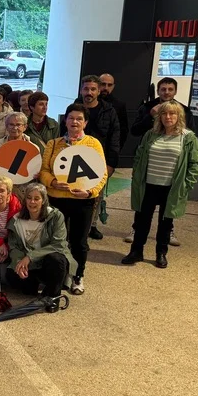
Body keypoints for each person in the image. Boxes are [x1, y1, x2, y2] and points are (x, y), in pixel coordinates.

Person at [122, 102, 198, 269]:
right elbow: (139, 154)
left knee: (166, 223)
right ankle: (136, 251)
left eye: (172, 114)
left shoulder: (188, 138)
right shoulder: (151, 134)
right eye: (164, 114)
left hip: (171, 187)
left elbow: (196, 163)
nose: (168, 117)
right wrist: (136, 173)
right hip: (148, 185)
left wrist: (186, 184)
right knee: (141, 220)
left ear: (179, 116)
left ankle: (161, 253)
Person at [40, 103, 107, 295]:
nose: (74, 122)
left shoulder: (93, 144)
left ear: (85, 123)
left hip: (82, 201)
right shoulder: (53, 144)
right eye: (71, 118)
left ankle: (78, 275)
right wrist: (53, 182)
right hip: (57, 199)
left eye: (79, 119)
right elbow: (44, 171)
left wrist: (90, 192)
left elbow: (101, 174)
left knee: (79, 242)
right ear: (65, 121)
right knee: (54, 239)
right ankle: (56, 275)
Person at [6, 183, 74, 312]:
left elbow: (58, 244)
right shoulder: (16, 220)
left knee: (57, 259)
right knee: (12, 277)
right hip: (30, 264)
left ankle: (53, 297)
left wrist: (30, 257)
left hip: (48, 260)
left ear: (43, 200)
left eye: (37, 198)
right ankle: (41, 285)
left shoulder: (55, 216)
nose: (32, 202)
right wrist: (19, 262)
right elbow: (13, 247)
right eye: (29, 198)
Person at [71, 75, 120, 240]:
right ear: (81, 90)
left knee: (95, 196)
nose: (89, 92)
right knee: (74, 194)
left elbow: (114, 139)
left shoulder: (109, 111)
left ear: (98, 91)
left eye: (93, 89)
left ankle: (91, 226)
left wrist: (111, 164)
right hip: (75, 159)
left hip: (99, 161)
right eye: (86, 89)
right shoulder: (74, 109)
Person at [131, 76, 196, 137]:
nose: (166, 92)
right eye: (163, 89)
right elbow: (135, 132)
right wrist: (150, 116)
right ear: (158, 92)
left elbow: (191, 134)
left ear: (175, 92)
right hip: (150, 142)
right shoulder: (147, 107)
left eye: (170, 89)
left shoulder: (184, 110)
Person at [98, 73, 129, 143]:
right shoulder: (86, 102)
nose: (106, 88)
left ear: (113, 86)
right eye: (103, 84)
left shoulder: (119, 105)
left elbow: (123, 130)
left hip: (108, 145)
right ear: (97, 84)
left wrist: (116, 147)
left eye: (109, 85)